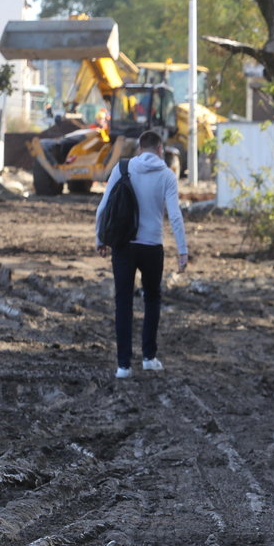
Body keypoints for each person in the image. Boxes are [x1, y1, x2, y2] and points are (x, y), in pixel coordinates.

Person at [95, 130, 188, 379]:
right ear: (160, 150)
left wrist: (100, 238)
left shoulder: (123, 167)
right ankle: (149, 357)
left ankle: (123, 366)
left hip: (124, 245)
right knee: (152, 299)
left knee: (123, 302)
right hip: (152, 247)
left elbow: (103, 206)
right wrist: (182, 250)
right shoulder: (167, 175)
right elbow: (175, 215)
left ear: (139, 149)